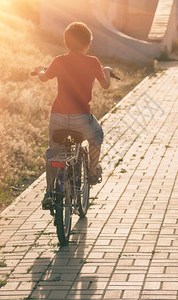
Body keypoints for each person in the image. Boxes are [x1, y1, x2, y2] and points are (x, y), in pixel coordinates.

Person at [34, 22, 112, 209]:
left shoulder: (59, 61)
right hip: (81, 119)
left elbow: (44, 77)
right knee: (97, 135)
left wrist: (39, 70)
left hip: (58, 117)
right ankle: (92, 173)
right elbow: (106, 85)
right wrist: (107, 72)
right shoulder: (93, 62)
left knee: (53, 153)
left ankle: (50, 192)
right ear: (88, 44)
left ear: (66, 43)